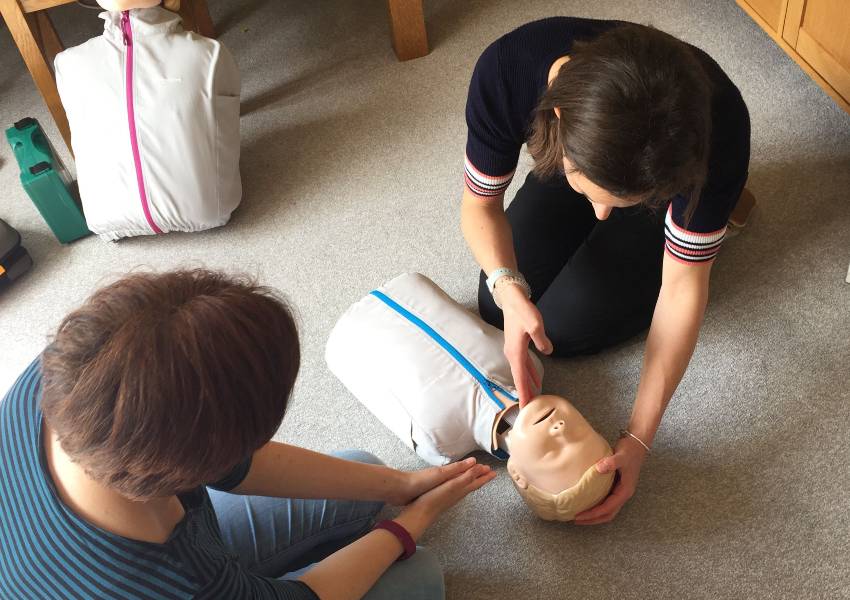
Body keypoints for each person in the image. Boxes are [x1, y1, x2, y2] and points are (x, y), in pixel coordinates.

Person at [0, 269, 496, 600]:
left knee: (366, 469)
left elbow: (237, 463)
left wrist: (400, 487)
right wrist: (414, 520)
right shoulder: (176, 581)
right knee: (419, 575)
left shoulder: (63, 369)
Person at [460, 18, 750, 524]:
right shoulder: (508, 69)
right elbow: (478, 207)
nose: (601, 212)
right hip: (585, 151)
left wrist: (638, 438)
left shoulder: (718, 130)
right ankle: (605, 189)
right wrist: (507, 288)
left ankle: (709, 217)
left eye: (616, 202)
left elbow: (684, 288)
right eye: (591, 191)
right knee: (493, 302)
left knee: (565, 329)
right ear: (556, 115)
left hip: (667, 173)